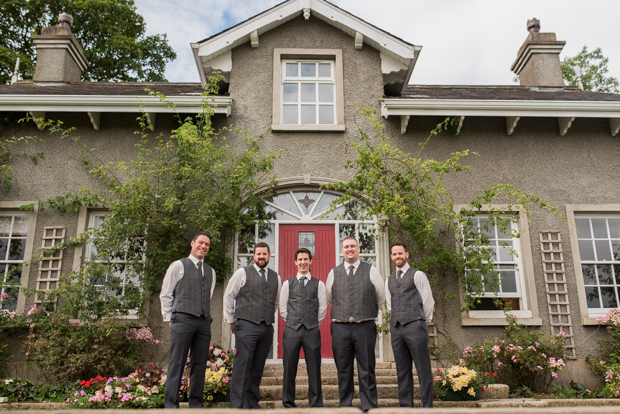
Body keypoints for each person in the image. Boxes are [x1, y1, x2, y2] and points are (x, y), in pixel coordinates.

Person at [326, 236, 385, 411]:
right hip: (340, 327)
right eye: (346, 247)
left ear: (358, 249)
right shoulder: (333, 272)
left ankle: (369, 405)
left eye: (352, 246)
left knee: (366, 368)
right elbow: (331, 298)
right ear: (342, 250)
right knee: (343, 369)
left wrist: (365, 310)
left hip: (364, 326)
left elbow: (380, 297)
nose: (349, 249)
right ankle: (345, 404)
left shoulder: (372, 270)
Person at [160, 232, 216, 409]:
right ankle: (171, 406)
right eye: (200, 242)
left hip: (203, 321)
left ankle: (196, 406)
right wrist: (169, 317)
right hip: (182, 318)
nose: (203, 246)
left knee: (199, 365)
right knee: (177, 363)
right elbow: (166, 293)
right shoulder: (178, 265)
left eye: (206, 244)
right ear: (192, 243)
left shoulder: (211, 271)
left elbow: (208, 295)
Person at [223, 242, 282, 409]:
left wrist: (266, 315)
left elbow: (275, 301)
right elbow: (229, 296)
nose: (261, 257)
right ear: (253, 256)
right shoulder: (242, 273)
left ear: (269, 256)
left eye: (264, 254)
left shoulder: (275, 277)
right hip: (246, 324)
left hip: (266, 327)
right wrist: (231, 320)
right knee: (242, 366)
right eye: (258, 254)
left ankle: (251, 404)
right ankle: (237, 406)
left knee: (257, 368)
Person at [385, 242, 435, 408]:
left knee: (422, 368)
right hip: (396, 327)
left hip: (415, 325)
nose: (397, 256)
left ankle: (426, 407)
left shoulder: (417, 275)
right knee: (402, 370)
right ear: (391, 257)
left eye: (400, 253)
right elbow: (389, 304)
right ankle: (406, 407)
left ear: (407, 255)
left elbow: (428, 301)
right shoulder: (389, 280)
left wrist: (422, 322)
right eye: (394, 254)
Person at [279, 247, 327, 408]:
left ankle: (315, 404)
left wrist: (312, 323)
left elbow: (323, 309)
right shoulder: (287, 284)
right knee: (289, 370)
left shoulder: (319, 284)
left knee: (314, 369)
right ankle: (288, 403)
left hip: (312, 330)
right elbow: (283, 308)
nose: (303, 262)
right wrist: (293, 321)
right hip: (291, 330)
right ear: (295, 262)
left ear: (310, 261)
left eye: (306, 259)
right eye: (300, 259)